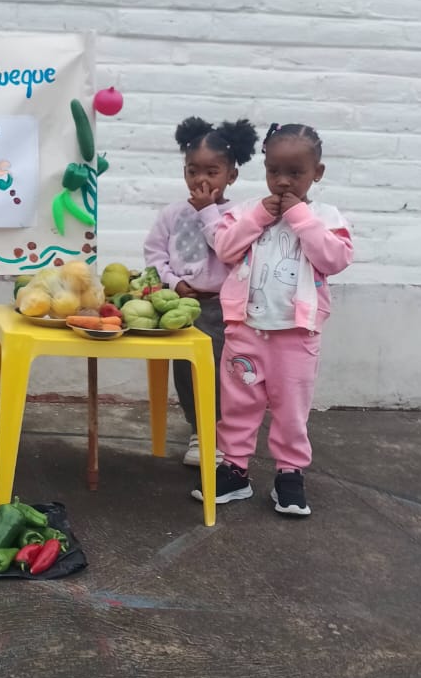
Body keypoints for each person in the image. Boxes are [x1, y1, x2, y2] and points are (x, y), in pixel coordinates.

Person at [193, 123, 353, 518]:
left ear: (317, 172)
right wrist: (258, 218)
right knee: (238, 404)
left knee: (291, 408)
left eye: (295, 173)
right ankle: (235, 469)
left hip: (296, 336)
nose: (282, 181)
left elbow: (334, 259)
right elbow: (225, 249)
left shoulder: (325, 217)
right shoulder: (247, 211)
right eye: (273, 171)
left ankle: (290, 473)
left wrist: (300, 217)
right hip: (246, 330)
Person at [144, 117, 258, 468]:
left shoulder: (238, 215)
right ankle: (198, 431)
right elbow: (154, 255)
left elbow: (229, 250)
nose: (201, 180)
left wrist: (208, 211)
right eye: (193, 171)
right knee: (187, 372)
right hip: (183, 305)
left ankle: (221, 434)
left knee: (225, 373)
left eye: (212, 172)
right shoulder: (171, 214)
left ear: (231, 176)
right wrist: (173, 282)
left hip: (223, 308)